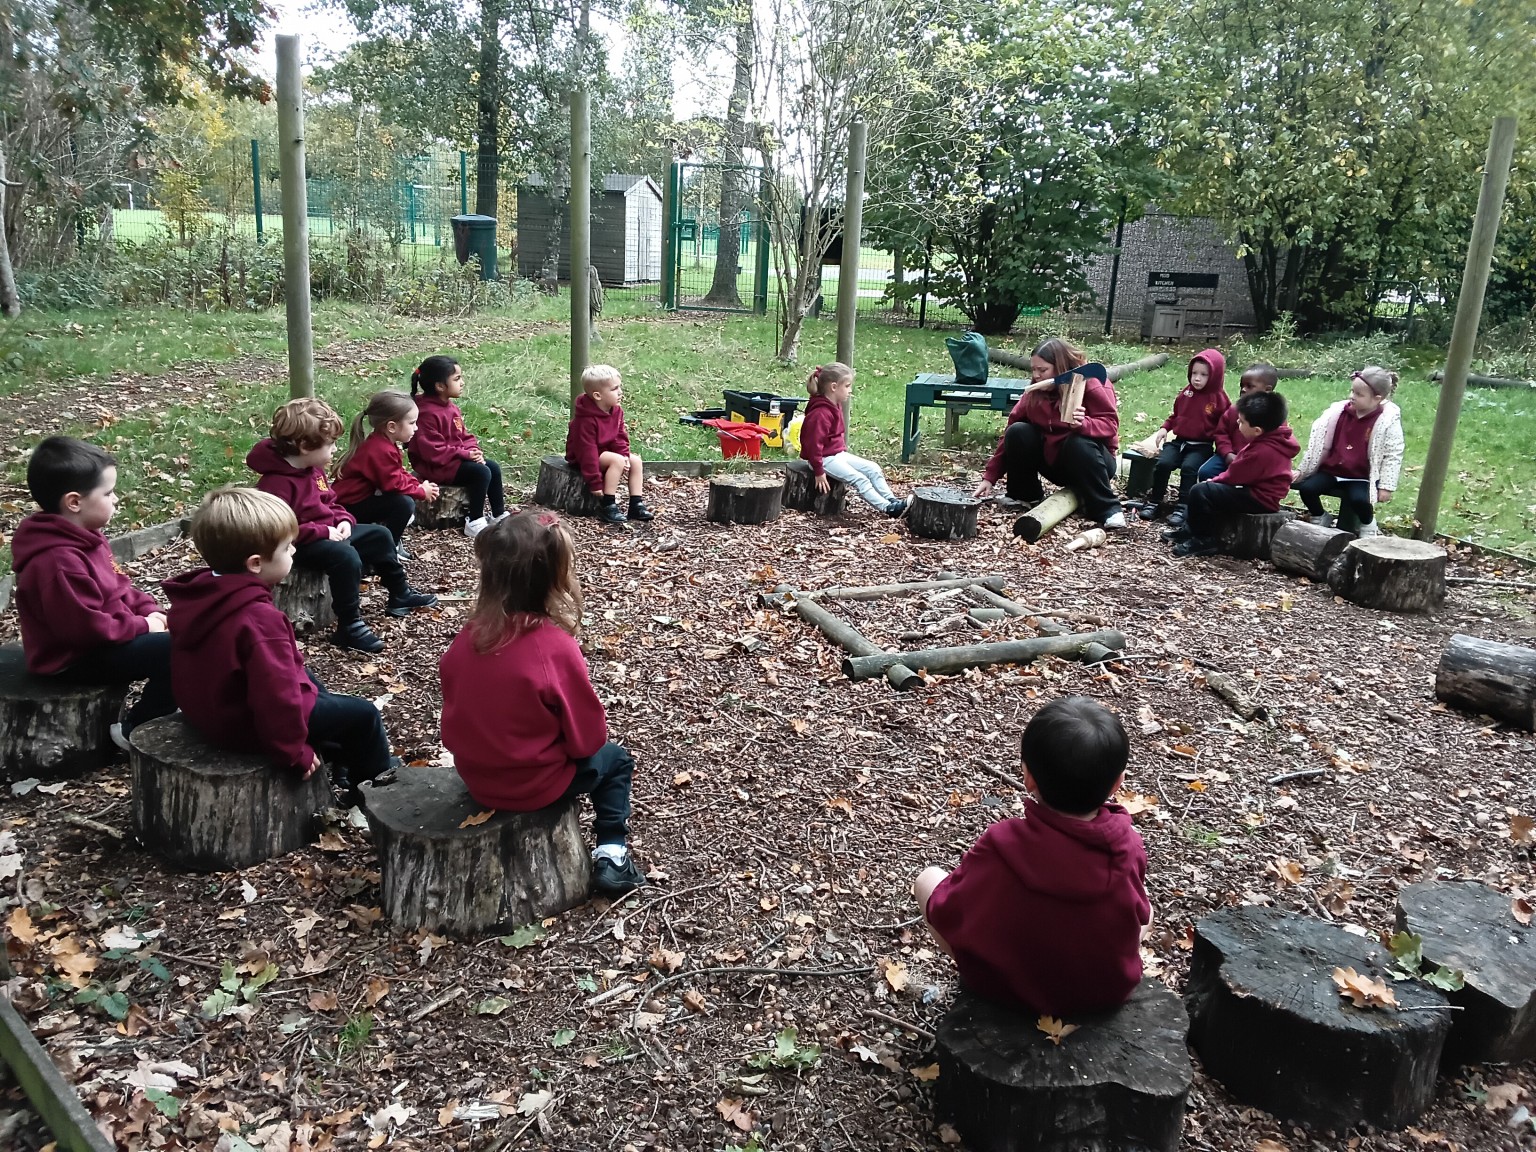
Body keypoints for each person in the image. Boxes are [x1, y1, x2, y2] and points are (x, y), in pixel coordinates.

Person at [439, 512, 647, 898]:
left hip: (476, 775)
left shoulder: (468, 638)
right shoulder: (552, 647)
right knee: (615, 761)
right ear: (553, 577)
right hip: (531, 785)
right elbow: (587, 741)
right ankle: (613, 855)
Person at [912, 697, 1150, 1017]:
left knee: (928, 880)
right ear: (1118, 783)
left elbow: (952, 906)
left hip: (1005, 990)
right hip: (1104, 993)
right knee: (1145, 905)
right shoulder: (1128, 846)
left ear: (1028, 777)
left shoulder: (1003, 843)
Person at [164, 488, 394, 805]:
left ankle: (340, 757)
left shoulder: (201, 597)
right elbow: (276, 698)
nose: (294, 553)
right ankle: (373, 792)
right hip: (245, 724)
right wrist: (292, 751)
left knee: (313, 683)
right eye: (287, 548)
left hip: (215, 709)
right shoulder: (257, 619)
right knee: (363, 714)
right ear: (256, 563)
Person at [10, 436, 175, 749]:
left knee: (193, 629)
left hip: (105, 637)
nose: (116, 500)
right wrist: (143, 627)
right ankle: (135, 731)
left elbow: (119, 585)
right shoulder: (57, 562)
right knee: (178, 650)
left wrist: (149, 610)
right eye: (108, 492)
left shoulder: (87, 538)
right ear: (74, 502)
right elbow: (84, 630)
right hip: (73, 658)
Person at [247, 398, 437, 655]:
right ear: (304, 446)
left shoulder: (313, 470)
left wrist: (344, 520)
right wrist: (324, 531)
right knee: (345, 556)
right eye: (331, 444)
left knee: (379, 535)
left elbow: (331, 502)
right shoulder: (276, 485)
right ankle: (349, 624)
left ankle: (399, 593)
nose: (336, 450)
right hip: (297, 545)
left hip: (330, 533)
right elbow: (279, 531)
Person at [970, 339, 1126, 530]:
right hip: (1055, 462)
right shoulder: (1035, 393)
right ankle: (1025, 495)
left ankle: (1108, 510)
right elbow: (1010, 433)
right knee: (1018, 431)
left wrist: (1083, 424)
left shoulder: (1092, 383)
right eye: (1033, 370)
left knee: (1077, 442)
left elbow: (1110, 425)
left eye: (1042, 370)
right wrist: (990, 476)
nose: (1036, 376)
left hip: (1093, 463)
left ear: (1060, 367)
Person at [1167, 390, 1300, 558]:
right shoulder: (1271, 440)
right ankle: (1190, 530)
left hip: (1260, 498)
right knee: (1207, 491)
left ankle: (1203, 540)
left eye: (1242, 421)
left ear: (1257, 430)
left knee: (1200, 491)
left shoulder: (1263, 450)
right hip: (1257, 491)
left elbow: (1235, 475)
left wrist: (1213, 481)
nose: (1237, 422)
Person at [1293, 366, 1405, 538]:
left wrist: (1386, 486)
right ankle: (1320, 515)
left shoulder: (1386, 421)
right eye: (1352, 391)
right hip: (1333, 469)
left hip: (1360, 475)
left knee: (1359, 499)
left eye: (1359, 395)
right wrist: (1304, 470)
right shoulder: (1338, 413)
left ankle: (1367, 523)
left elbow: (1393, 454)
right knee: (1307, 488)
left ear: (1377, 399)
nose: (1352, 396)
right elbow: (1318, 443)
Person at [407, 355, 510, 539]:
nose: (462, 383)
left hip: (453, 460)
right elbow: (431, 451)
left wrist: (474, 451)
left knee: (492, 467)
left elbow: (464, 436)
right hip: (436, 466)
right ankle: (475, 521)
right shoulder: (426, 413)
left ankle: (498, 515)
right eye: (457, 379)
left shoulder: (451, 408)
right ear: (440, 386)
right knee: (481, 473)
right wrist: (465, 454)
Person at [332, 390, 439, 549]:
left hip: (358, 502)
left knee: (403, 500)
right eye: (411, 423)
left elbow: (398, 472)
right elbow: (393, 484)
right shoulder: (379, 449)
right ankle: (387, 548)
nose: (416, 428)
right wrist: (421, 492)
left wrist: (417, 485)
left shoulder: (384, 443)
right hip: (347, 508)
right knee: (403, 504)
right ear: (391, 426)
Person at [799, 362, 908, 516]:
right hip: (824, 459)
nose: (850, 391)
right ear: (834, 387)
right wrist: (818, 471)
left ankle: (892, 500)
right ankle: (888, 509)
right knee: (860, 479)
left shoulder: (833, 405)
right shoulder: (821, 413)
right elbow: (812, 445)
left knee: (873, 468)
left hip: (836, 454)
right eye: (847, 386)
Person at [1138, 348, 1230, 525]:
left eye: (1204, 374)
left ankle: (1183, 507)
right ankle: (1154, 501)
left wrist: (1222, 449)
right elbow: (1176, 415)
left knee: (1189, 468)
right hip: (1179, 441)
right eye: (1194, 373)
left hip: (1202, 445)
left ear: (1215, 375)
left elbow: (1224, 426)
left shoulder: (1219, 398)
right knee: (1163, 464)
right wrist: (1165, 428)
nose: (1197, 378)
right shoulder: (1186, 393)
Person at [566, 364, 654, 526]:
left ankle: (636, 503)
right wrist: (595, 482)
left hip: (605, 452)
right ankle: (608, 504)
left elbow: (620, 437)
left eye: (619, 387)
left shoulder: (616, 411)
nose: (620, 392)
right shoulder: (585, 420)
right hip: (583, 457)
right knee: (617, 461)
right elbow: (587, 452)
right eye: (614, 389)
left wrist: (625, 455)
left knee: (635, 461)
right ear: (598, 395)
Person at [1197, 362, 1278, 483]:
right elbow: (1221, 433)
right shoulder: (1234, 410)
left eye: (1250, 386)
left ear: (1267, 390)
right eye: (1242, 386)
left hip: (1256, 461)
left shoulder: (1273, 416)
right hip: (1229, 456)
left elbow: (1276, 442)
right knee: (1206, 472)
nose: (1243, 390)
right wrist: (1227, 453)